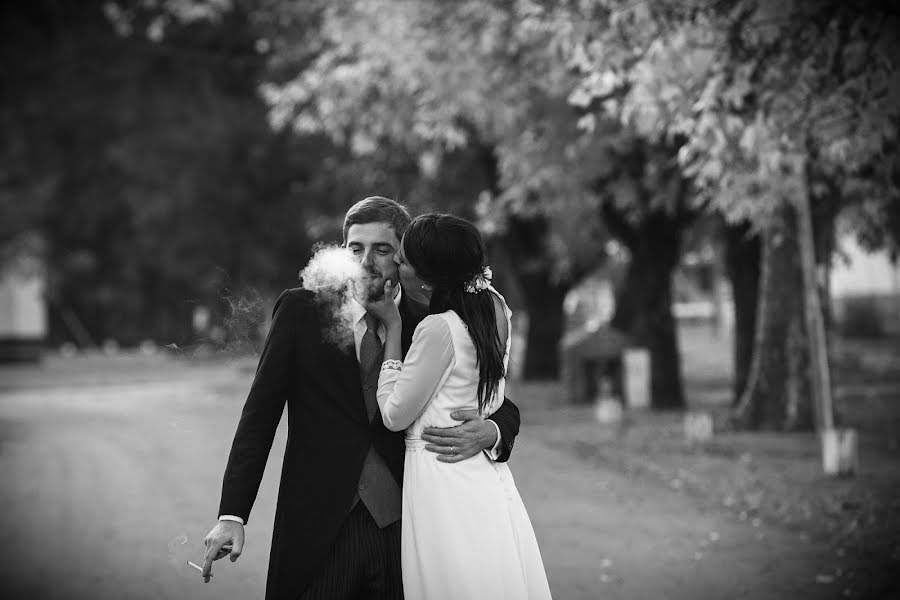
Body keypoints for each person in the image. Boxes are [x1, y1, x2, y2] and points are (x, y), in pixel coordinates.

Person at [201, 197, 521, 600]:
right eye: (356, 248)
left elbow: (499, 400)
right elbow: (259, 416)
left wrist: (491, 432)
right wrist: (232, 514)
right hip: (317, 525)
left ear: (406, 257)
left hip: (407, 528)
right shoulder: (301, 310)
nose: (366, 261)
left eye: (382, 250)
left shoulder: (433, 321)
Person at [364, 213, 552, 599]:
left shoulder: (439, 328)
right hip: (483, 479)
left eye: (404, 259)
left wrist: (395, 329)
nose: (397, 264)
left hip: (441, 478)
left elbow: (395, 415)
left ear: (429, 278)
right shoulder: (495, 306)